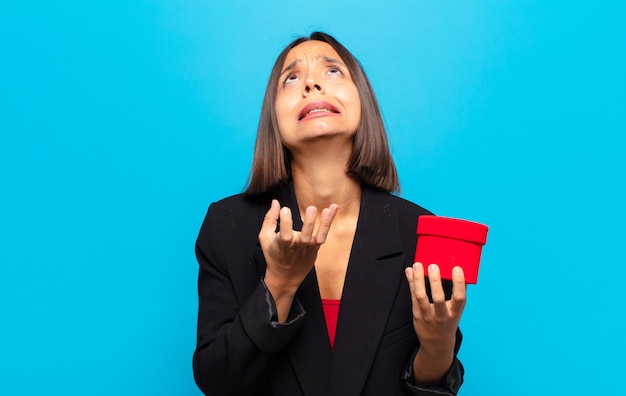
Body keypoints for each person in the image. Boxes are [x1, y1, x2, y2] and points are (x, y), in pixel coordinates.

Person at [193, 32, 467, 396]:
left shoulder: (419, 232)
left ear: (362, 101)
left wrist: (438, 345)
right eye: (290, 78)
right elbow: (217, 381)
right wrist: (280, 283)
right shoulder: (227, 227)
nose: (311, 83)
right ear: (273, 118)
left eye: (333, 71)